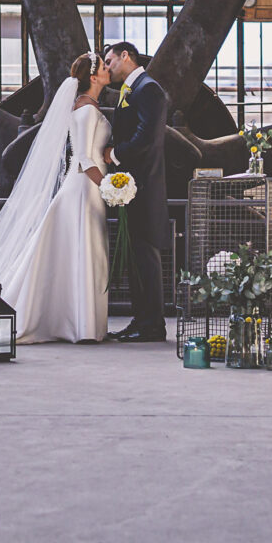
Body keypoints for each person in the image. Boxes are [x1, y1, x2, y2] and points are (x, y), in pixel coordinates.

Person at [0, 54, 112, 343]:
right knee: (81, 250)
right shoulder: (87, 110)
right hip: (85, 187)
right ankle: (80, 325)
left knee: (80, 252)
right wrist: (108, 185)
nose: (107, 71)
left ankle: (81, 323)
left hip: (86, 185)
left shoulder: (87, 107)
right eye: (103, 68)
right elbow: (85, 157)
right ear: (93, 77)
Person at [100, 41, 169, 341]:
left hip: (145, 185)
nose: (108, 66)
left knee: (146, 256)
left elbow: (148, 137)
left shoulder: (148, 88)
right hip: (132, 186)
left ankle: (153, 324)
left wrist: (115, 155)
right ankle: (140, 320)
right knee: (136, 257)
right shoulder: (133, 89)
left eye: (110, 60)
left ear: (125, 56)